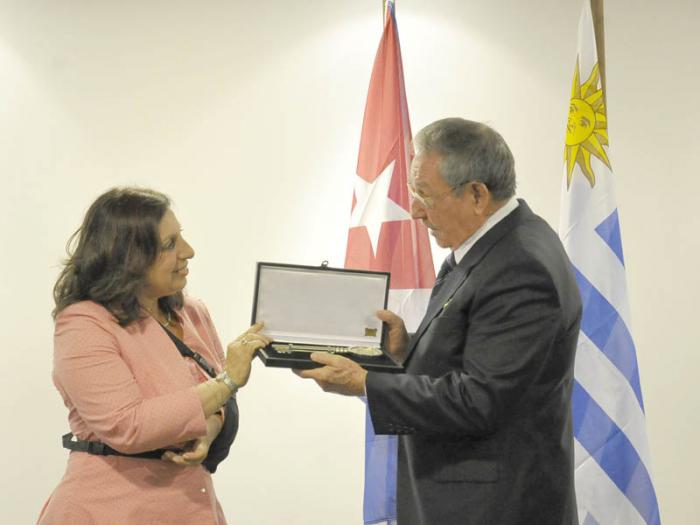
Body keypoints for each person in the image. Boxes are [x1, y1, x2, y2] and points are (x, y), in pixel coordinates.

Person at [297, 118, 582, 525]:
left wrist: (365, 383)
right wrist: (407, 349)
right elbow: (481, 353)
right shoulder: (497, 242)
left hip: (495, 509)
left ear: (477, 194)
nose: (414, 211)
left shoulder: (521, 267)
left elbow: (479, 400)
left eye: (424, 195)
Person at [37, 187, 270, 525]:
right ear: (129, 256)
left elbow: (215, 406)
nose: (188, 252)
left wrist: (206, 431)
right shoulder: (84, 323)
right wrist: (229, 381)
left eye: (182, 238)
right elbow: (127, 425)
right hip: (109, 511)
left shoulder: (192, 312)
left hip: (193, 507)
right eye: (169, 244)